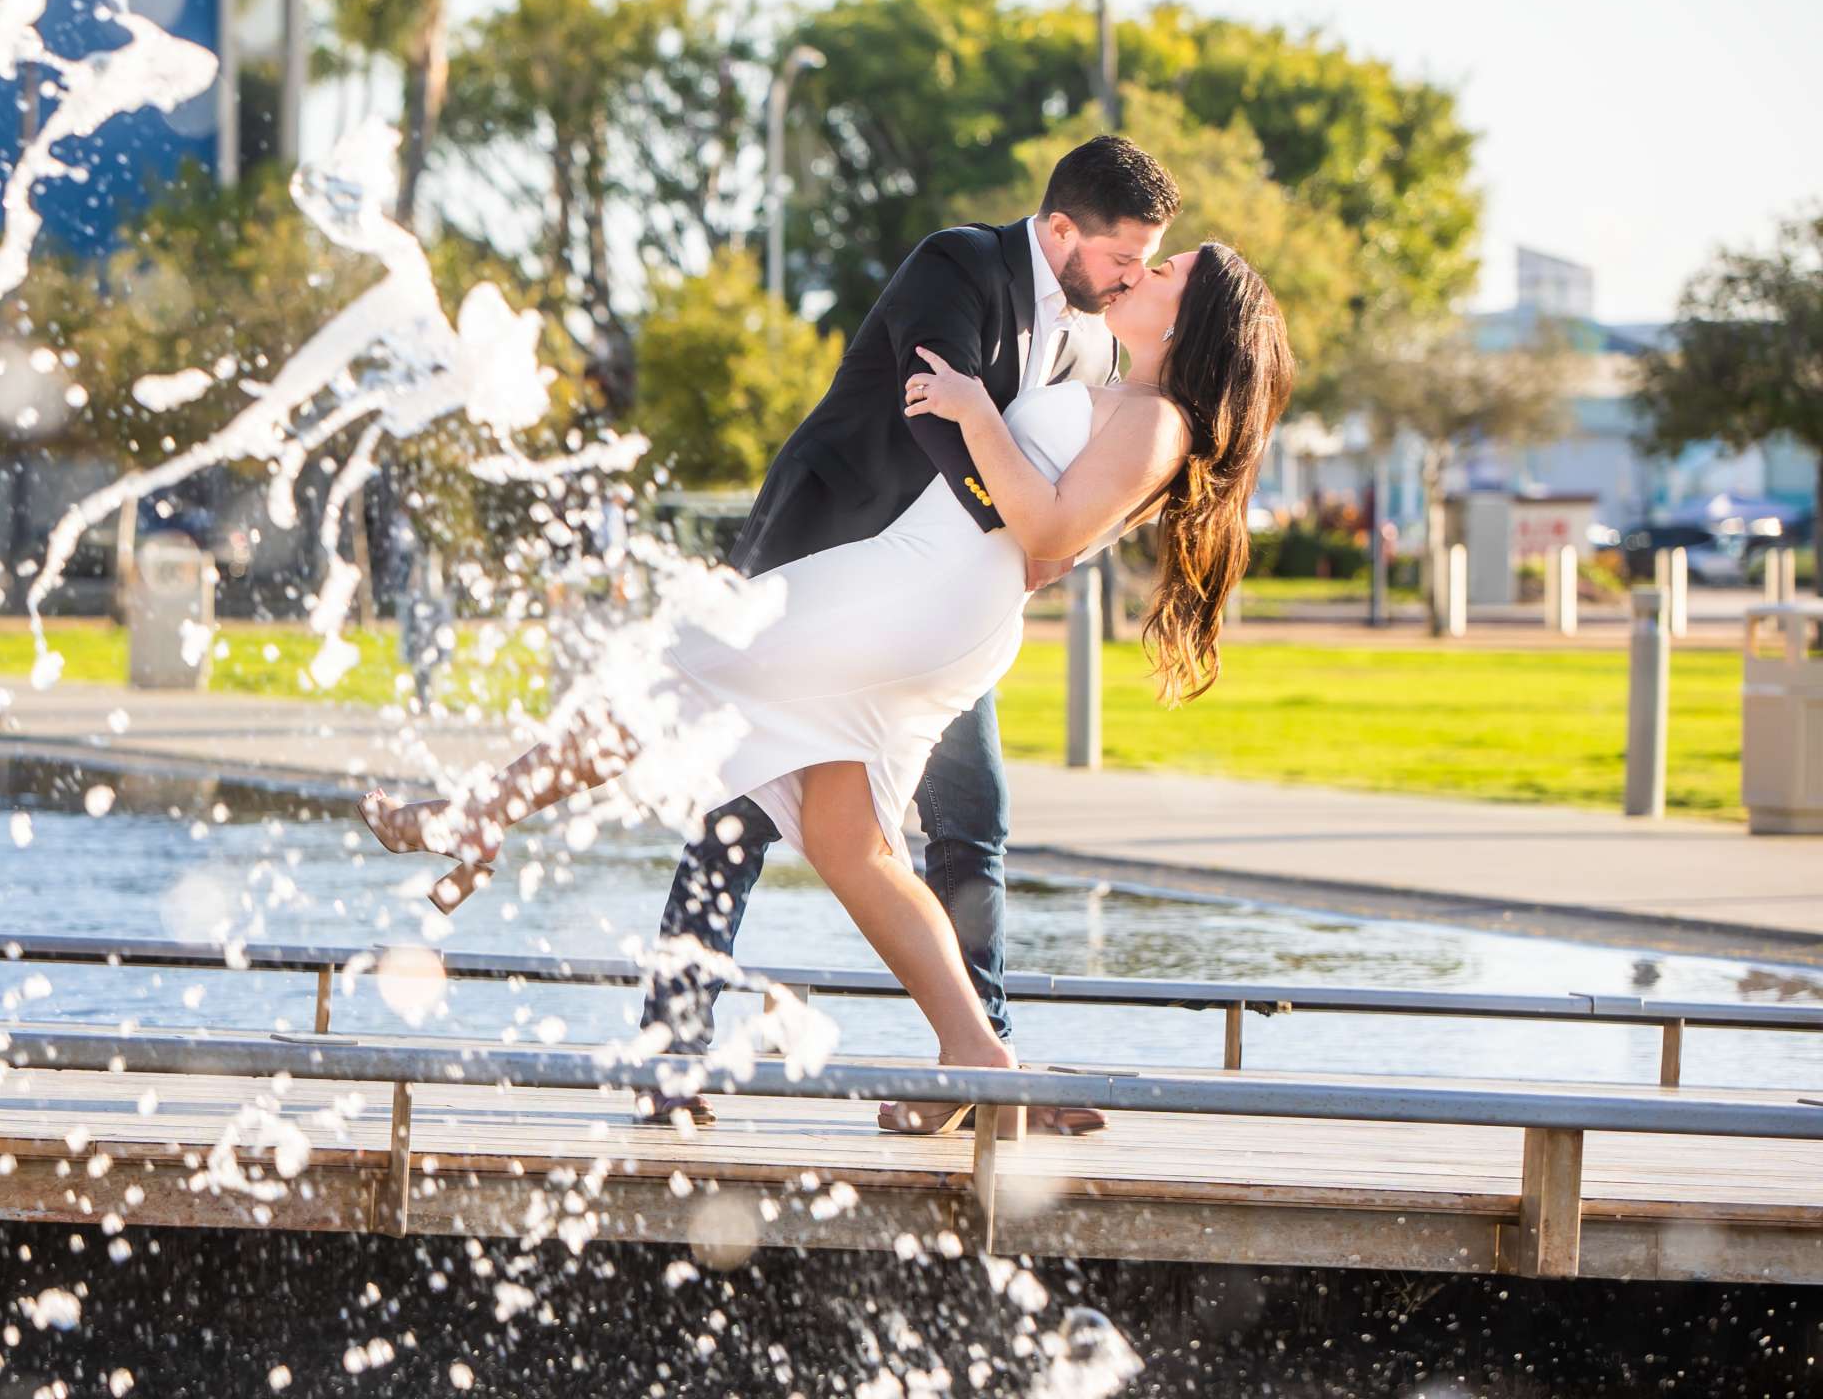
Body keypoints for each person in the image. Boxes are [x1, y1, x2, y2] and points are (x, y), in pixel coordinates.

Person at [360, 225, 1296, 1137]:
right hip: (925, 589)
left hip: (921, 591)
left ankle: (480, 812)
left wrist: (973, 411)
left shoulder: (1158, 422)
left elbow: (1050, 535)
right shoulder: (1116, 393)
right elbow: (1047, 533)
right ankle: (974, 1052)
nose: (1148, 266)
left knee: (672, 670)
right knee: (851, 842)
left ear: (1192, 320)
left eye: (1171, 267)